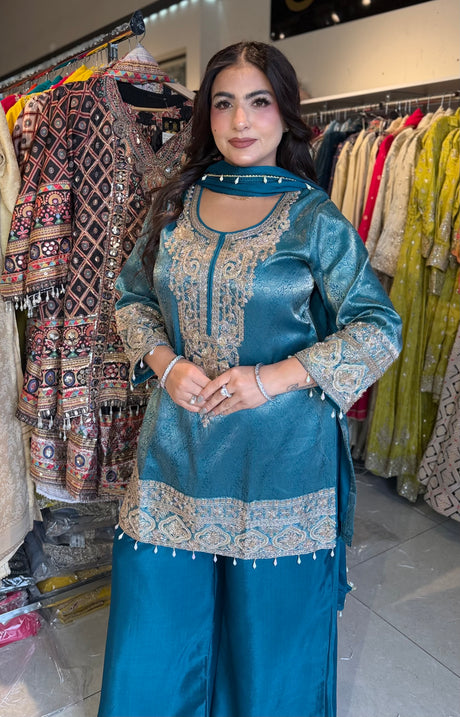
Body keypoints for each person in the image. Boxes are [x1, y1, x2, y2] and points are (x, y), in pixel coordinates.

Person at [98, 41, 402, 717]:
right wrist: (166, 364)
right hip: (174, 457)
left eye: (259, 102)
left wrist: (273, 378)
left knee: (269, 657)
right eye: (225, 103)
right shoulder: (175, 204)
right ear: (206, 114)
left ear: (285, 113)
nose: (241, 121)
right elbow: (132, 299)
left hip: (280, 470)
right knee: (154, 639)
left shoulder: (313, 218)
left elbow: (379, 328)